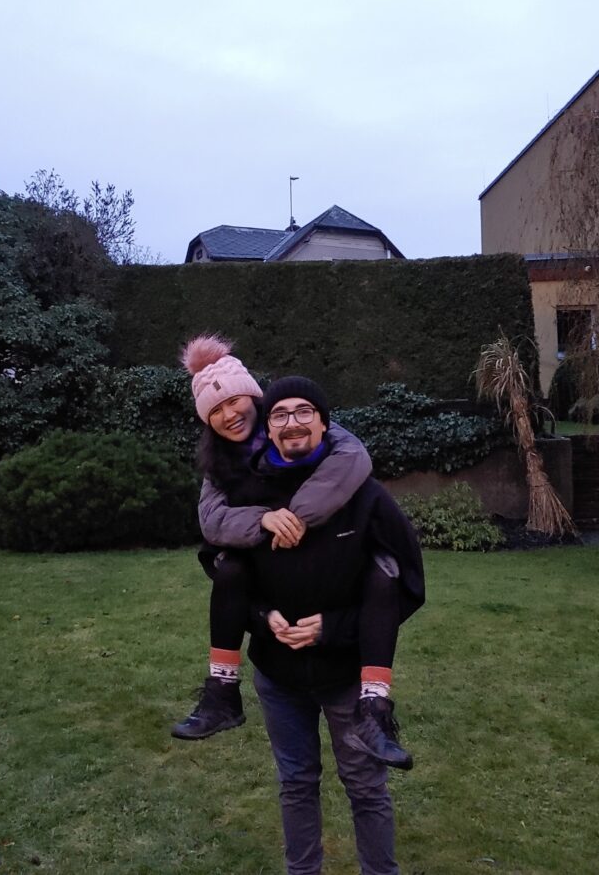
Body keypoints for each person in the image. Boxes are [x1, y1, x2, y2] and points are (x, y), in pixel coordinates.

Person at [171, 338, 414, 768]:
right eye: (216, 410)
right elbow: (212, 525)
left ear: (256, 399)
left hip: (341, 665)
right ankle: (222, 688)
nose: (229, 415)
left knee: (364, 785)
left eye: (234, 401)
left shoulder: (326, 447)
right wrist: (263, 522)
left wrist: (299, 515)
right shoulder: (225, 471)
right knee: (229, 569)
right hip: (278, 667)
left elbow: (353, 459)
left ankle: (375, 707)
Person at [235, 375, 425, 875]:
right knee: (296, 784)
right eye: (279, 414)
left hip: (346, 676)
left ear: (323, 423)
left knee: (365, 786)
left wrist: (333, 629)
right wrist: (262, 618)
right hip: (278, 676)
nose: (292, 422)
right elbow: (228, 576)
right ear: (268, 429)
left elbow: (406, 584)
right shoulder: (250, 494)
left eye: (304, 411)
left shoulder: (365, 496)